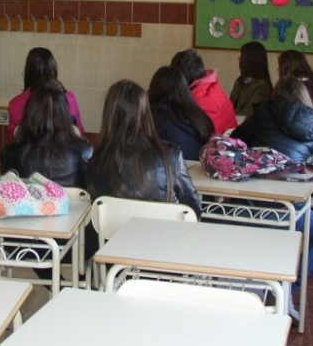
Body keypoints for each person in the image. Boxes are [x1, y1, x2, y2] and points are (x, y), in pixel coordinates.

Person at [231, 76, 313, 320]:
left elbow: (238, 140)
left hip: (252, 205)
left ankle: (269, 282)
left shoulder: (263, 111)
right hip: (291, 208)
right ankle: (289, 283)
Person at [87, 79, 201, 219]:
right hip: (162, 238)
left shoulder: (95, 162)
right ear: (146, 112)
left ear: (108, 115)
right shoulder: (171, 155)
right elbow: (194, 209)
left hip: (112, 240)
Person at [0, 79, 93, 187]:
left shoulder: (9, 154)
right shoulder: (85, 152)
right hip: (70, 204)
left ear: (29, 112)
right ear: (64, 113)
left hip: (30, 204)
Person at [7, 47, 84, 141]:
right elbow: (79, 132)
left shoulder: (15, 103)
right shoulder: (69, 98)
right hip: (63, 153)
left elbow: (13, 140)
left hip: (28, 155)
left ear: (28, 72)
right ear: (53, 70)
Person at [148, 66, 214, 161]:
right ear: (184, 88)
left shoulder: (152, 117)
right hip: (199, 172)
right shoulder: (199, 116)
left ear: (153, 89)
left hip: (173, 171)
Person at [170, 48, 237, 134]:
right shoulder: (210, 87)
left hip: (211, 144)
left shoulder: (197, 101)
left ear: (179, 77)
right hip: (225, 143)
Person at [230, 41, 273, 118]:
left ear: (250, 59)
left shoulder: (262, 86)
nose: (239, 58)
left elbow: (248, 114)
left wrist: (228, 113)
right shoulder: (240, 81)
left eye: (241, 55)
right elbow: (230, 104)